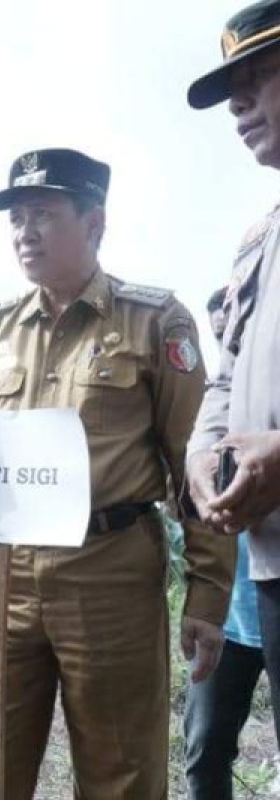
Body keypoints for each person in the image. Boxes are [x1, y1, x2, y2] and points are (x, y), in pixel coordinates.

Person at [0, 148, 235, 799]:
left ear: (94, 222)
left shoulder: (155, 321)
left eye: (43, 214)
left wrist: (209, 594)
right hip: (1, 581)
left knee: (121, 776)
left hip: (110, 577)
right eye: (16, 218)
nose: (25, 233)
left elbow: (198, 465)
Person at [187, 0, 280, 757]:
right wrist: (202, 448)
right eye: (231, 93)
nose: (238, 105)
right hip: (273, 559)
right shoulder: (260, 238)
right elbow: (227, 375)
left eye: (259, 78)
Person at [184, 286, 265, 799]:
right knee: (205, 750)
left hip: (269, 602)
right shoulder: (207, 419)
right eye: (221, 335)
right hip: (229, 621)